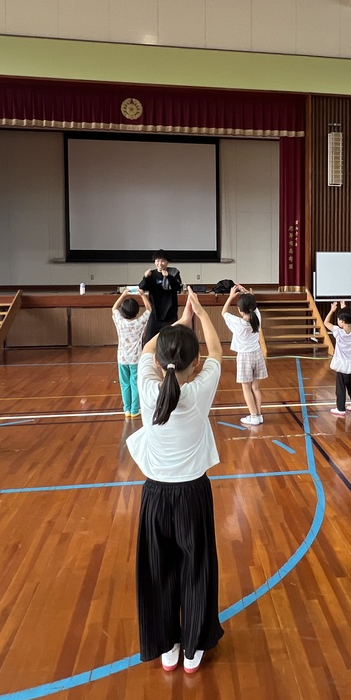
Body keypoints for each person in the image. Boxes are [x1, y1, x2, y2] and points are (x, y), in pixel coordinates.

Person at [129, 288, 225, 674]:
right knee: (196, 565)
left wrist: (178, 324)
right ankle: (194, 645)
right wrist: (198, 314)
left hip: (155, 494)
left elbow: (147, 352)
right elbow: (218, 353)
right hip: (192, 494)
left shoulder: (149, 387)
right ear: (195, 362)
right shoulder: (200, 390)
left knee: (159, 567)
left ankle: (166, 643)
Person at [222, 285, 266, 425]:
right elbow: (253, 304)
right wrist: (245, 291)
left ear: (240, 310)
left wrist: (230, 296)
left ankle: (253, 416)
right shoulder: (257, 317)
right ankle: (258, 415)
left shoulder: (239, 323)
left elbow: (224, 312)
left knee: (246, 388)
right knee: (255, 387)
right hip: (257, 353)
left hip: (244, 357)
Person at [112, 288, 151, 418]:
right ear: (136, 312)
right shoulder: (139, 322)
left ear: (122, 311)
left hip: (122, 358)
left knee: (125, 384)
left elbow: (114, 308)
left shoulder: (120, 321)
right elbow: (149, 310)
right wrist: (142, 295)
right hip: (136, 359)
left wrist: (123, 295)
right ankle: (135, 409)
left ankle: (127, 409)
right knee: (135, 383)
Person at [323, 300, 351, 416]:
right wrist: (344, 307)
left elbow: (326, 322)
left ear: (343, 321)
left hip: (342, 365)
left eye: (339, 319)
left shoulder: (338, 332)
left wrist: (332, 310)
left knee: (340, 388)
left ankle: (341, 408)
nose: (338, 321)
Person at [138, 251, 185, 343]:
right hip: (155, 313)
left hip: (170, 313)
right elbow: (141, 287)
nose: (160, 264)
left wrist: (169, 277)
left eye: (163, 261)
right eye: (157, 261)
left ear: (167, 262)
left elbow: (178, 287)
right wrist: (146, 277)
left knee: (171, 340)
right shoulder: (151, 274)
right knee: (148, 339)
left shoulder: (174, 272)